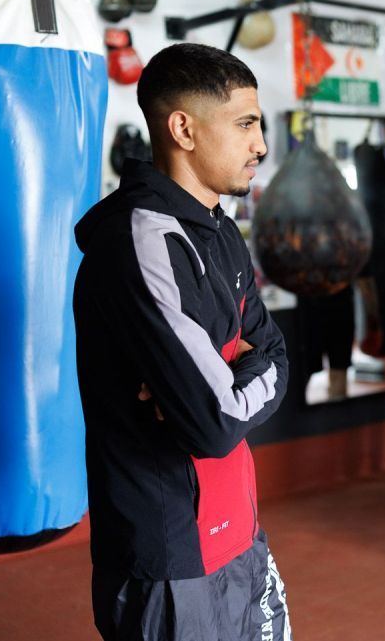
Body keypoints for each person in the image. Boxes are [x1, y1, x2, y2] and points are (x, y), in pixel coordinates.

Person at [73, 43, 291, 641]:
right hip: (173, 556)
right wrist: (236, 374)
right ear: (183, 129)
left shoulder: (221, 230)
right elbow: (215, 422)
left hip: (240, 530)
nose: (261, 145)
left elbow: (275, 355)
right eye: (246, 124)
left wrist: (237, 374)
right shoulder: (141, 241)